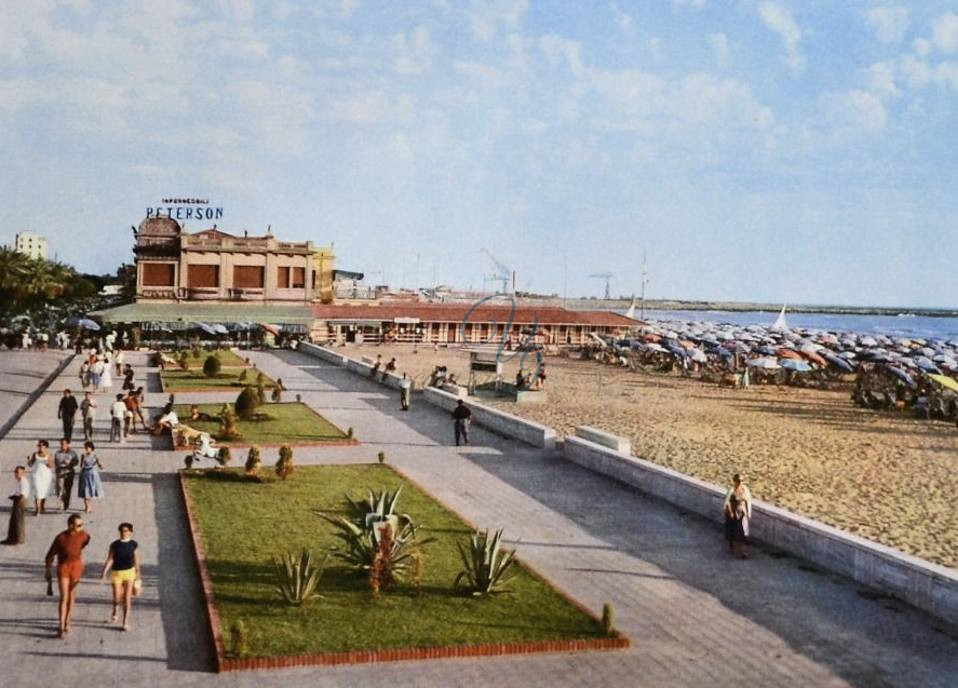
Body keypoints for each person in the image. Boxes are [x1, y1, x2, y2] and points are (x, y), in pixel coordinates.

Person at [45, 514, 91, 637]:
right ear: (71, 525)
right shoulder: (60, 538)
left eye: (82, 524)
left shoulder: (84, 535)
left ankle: (68, 621)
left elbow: (84, 543)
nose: (81, 527)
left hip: (76, 567)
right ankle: (61, 625)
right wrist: (48, 570)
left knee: (72, 595)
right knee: (64, 596)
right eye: (79, 525)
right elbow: (50, 555)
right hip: (63, 567)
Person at [100, 522, 141, 632]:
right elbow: (110, 559)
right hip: (117, 573)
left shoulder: (133, 544)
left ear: (131, 532)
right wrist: (104, 572)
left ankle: (125, 622)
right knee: (117, 597)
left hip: (130, 573)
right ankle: (115, 610)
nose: (123, 533)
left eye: (126, 531)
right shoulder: (114, 545)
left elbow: (136, 561)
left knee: (127, 598)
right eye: (122, 531)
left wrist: (138, 576)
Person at [723, 473, 753, 559]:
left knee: (745, 531)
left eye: (742, 481)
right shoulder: (731, 490)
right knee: (732, 530)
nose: (740, 482)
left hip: (743, 513)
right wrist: (730, 512)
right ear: (734, 481)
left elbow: (748, 501)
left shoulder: (745, 489)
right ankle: (731, 544)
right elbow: (726, 502)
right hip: (733, 513)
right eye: (738, 481)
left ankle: (744, 552)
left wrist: (749, 512)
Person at [2, 466, 29, 545]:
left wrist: (18, 502)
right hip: (17, 501)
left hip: (20, 502)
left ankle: (18, 539)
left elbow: (23, 495)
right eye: (16, 472)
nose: (16, 474)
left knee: (18, 521)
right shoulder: (19, 481)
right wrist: (13, 496)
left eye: (18, 472)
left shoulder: (24, 482)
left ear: (23, 473)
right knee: (13, 521)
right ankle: (11, 538)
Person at [28, 440, 55, 516]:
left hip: (46, 475)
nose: (39, 447)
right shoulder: (35, 454)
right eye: (38, 445)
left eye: (41, 445)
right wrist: (29, 460)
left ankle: (42, 506)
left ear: (45, 447)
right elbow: (30, 464)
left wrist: (48, 462)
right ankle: (37, 509)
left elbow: (51, 466)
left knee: (44, 492)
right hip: (36, 475)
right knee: (37, 491)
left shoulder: (49, 454)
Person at [54, 438, 79, 511]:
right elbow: (55, 463)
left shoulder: (72, 453)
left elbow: (76, 461)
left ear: (68, 444)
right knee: (60, 488)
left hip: (69, 472)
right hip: (60, 472)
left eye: (64, 444)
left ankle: (66, 503)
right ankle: (61, 504)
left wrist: (70, 464)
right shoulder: (57, 453)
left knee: (67, 489)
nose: (62, 446)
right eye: (61, 444)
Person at [78, 441, 104, 513]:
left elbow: (99, 464)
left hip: (92, 474)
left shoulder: (95, 455)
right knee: (85, 491)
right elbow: (81, 465)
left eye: (88, 448)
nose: (86, 449)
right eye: (85, 447)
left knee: (90, 490)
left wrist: (101, 466)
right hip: (85, 474)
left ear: (91, 448)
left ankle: (89, 505)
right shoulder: (83, 455)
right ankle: (87, 506)